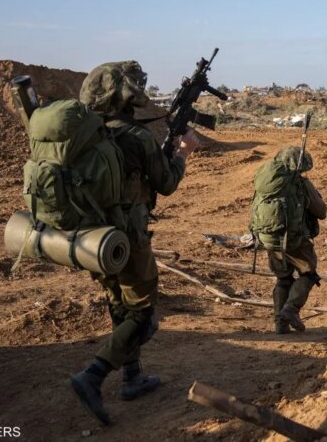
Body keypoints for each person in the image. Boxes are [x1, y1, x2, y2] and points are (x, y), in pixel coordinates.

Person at [71, 61, 200, 425]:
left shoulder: (87, 134)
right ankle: (93, 375)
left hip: (94, 237)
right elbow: (166, 183)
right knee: (142, 314)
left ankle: (132, 377)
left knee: (119, 303)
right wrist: (184, 152)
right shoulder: (136, 136)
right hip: (128, 236)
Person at [263, 146, 327, 333]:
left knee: (283, 278)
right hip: (294, 239)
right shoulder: (300, 184)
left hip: (270, 238)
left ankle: (280, 324)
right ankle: (290, 309)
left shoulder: (267, 182)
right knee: (309, 274)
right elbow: (321, 212)